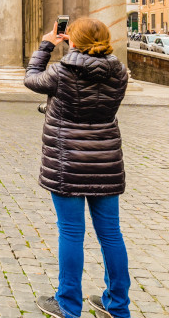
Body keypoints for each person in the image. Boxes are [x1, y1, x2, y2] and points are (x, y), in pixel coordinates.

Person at [25, 18, 130, 318]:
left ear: (72, 40)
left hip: (67, 163)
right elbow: (94, 107)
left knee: (71, 233)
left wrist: (47, 44)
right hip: (106, 162)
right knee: (111, 234)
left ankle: (69, 306)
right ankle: (117, 306)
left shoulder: (62, 71)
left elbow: (31, 77)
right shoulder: (119, 72)